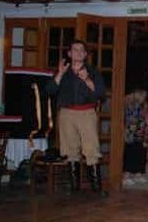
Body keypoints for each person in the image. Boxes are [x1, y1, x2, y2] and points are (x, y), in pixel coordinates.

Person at [46, 39, 107, 196]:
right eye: (75, 49)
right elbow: (50, 90)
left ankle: (96, 188)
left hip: (86, 112)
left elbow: (100, 93)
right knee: (70, 150)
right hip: (66, 113)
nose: (78, 52)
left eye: (81, 50)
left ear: (85, 54)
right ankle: (74, 188)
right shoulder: (63, 71)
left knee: (91, 149)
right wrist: (59, 73)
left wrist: (87, 79)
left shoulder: (93, 71)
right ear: (69, 53)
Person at [123, 89, 148, 186]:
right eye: (142, 95)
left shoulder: (144, 105)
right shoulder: (129, 103)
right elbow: (130, 119)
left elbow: (146, 118)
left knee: (141, 152)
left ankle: (138, 173)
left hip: (142, 132)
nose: (144, 97)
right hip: (131, 133)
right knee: (131, 152)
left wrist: (146, 127)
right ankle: (126, 174)